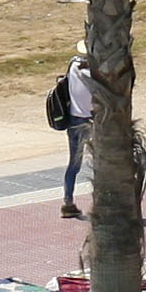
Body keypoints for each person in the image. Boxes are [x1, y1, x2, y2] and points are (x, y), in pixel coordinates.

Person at [53, 47, 98, 214]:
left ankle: (68, 201)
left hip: (73, 119)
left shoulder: (73, 64)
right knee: (100, 162)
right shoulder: (94, 72)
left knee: (73, 164)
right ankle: (101, 202)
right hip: (91, 120)